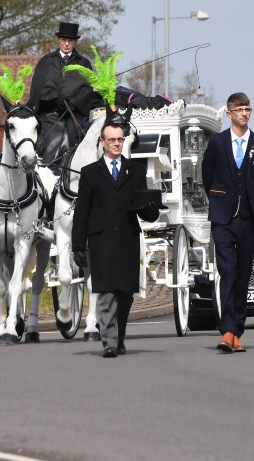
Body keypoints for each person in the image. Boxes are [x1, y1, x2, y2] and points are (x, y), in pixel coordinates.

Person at [71, 120, 161, 358]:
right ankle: (109, 341)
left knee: (124, 292)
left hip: (128, 239)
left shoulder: (136, 171)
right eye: (112, 140)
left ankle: (118, 337)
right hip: (101, 241)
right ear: (102, 142)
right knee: (107, 291)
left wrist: (152, 208)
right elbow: (82, 212)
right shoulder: (90, 173)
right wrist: (78, 245)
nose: (117, 144)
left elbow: (143, 210)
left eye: (120, 139)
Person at [202, 92, 254, 353]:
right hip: (222, 218)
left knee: (243, 274)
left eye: (248, 109)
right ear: (229, 113)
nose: (245, 113)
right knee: (228, 271)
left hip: (248, 219)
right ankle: (227, 331)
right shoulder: (217, 143)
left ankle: (236, 330)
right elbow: (207, 176)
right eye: (240, 109)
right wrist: (222, 199)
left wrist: (249, 199)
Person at [27, 21, 97, 167]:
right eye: (64, 40)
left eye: (70, 40)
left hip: (74, 116)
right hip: (49, 114)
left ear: (75, 42)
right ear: (58, 40)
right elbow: (38, 90)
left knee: (77, 139)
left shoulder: (83, 64)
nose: (66, 44)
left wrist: (73, 103)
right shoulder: (46, 62)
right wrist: (54, 99)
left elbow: (88, 91)